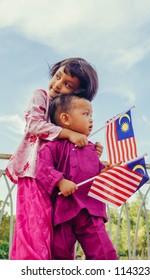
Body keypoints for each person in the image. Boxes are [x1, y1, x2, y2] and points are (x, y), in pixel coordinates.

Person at [5, 57, 103, 260]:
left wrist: (91, 150)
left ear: (77, 94)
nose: (58, 85)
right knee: (34, 229)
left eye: (68, 84)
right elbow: (34, 124)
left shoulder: (68, 114)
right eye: (58, 77)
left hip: (58, 180)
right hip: (34, 173)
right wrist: (69, 134)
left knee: (55, 235)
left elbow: (72, 150)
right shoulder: (41, 96)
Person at [36, 94, 118, 260]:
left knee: (103, 252)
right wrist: (60, 181)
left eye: (91, 115)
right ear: (66, 119)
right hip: (63, 211)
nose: (91, 119)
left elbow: (97, 171)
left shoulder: (91, 148)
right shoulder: (53, 146)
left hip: (91, 211)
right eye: (86, 114)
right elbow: (42, 168)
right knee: (60, 253)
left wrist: (105, 171)